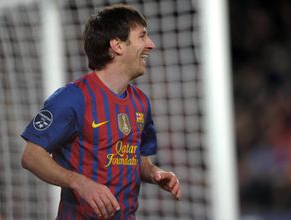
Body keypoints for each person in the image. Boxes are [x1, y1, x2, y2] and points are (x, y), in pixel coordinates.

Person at [21, 3, 181, 220]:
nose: (150, 44)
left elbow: (136, 157)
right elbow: (31, 156)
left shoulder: (141, 102)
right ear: (117, 45)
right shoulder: (73, 98)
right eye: (142, 36)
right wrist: (79, 182)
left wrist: (153, 173)